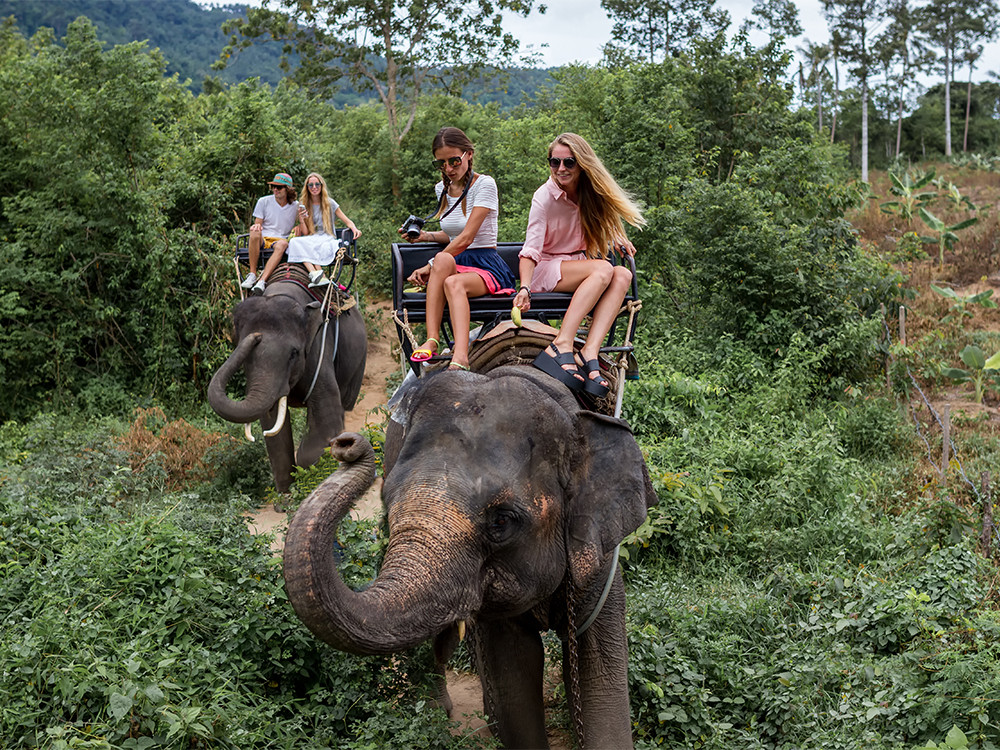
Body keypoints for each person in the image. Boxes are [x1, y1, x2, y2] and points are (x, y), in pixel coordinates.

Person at [514, 132, 645, 396]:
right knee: (603, 268)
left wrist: (617, 237)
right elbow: (530, 249)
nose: (561, 169)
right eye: (555, 162)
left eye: (569, 163)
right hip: (548, 268)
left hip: (579, 266)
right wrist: (525, 287)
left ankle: (589, 351)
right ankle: (560, 344)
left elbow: (603, 223)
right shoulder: (544, 197)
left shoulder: (591, 191)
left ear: (582, 164)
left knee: (621, 275)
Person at [404, 127, 515, 370]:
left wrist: (429, 265)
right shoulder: (441, 189)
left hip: (484, 264)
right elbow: (451, 234)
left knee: (448, 275)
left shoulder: (485, 184)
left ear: (469, 155)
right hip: (455, 261)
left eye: (454, 161)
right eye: (441, 163)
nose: (449, 169)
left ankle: (461, 356)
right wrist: (424, 236)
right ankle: (432, 339)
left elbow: (466, 238)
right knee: (443, 262)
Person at [265, 172, 362, 293]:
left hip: (326, 236)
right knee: (295, 242)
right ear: (307, 187)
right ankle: (314, 273)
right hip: (312, 236)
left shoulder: (329, 203)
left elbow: (347, 221)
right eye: (310, 185)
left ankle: (317, 273)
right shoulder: (304, 204)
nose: (314, 187)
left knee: (315, 244)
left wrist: (354, 229)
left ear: (321, 186)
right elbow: (306, 232)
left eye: (317, 184)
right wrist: (301, 219)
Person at [242, 173, 306, 291]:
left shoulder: (296, 206)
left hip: (280, 240)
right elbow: (258, 224)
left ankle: (262, 281)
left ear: (287, 189)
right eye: (273, 187)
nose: (275, 190)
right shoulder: (263, 201)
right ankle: (252, 274)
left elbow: (304, 224)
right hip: (264, 238)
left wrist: (299, 227)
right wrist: (255, 227)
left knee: (283, 244)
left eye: (279, 187)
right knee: (254, 232)